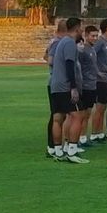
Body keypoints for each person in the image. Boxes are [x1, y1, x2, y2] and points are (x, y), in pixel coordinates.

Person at [49, 17, 88, 164]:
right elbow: (70, 65)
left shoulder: (62, 42)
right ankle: (72, 151)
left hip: (56, 86)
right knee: (79, 115)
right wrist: (73, 88)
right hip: (65, 86)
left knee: (58, 118)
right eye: (81, 28)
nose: (82, 31)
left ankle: (58, 152)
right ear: (77, 28)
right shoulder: (70, 43)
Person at [44, 19, 67, 157]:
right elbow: (50, 59)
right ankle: (52, 146)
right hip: (56, 83)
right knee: (56, 116)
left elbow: (45, 56)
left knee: (58, 116)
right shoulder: (57, 42)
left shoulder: (55, 42)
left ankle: (54, 145)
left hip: (55, 81)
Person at [91, 18, 107, 142]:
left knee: (103, 107)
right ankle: (95, 133)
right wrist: (97, 72)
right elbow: (92, 56)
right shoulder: (100, 42)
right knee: (99, 108)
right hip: (101, 80)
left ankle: (100, 133)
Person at [77, 26, 99, 147]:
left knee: (88, 113)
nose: (95, 38)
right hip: (85, 86)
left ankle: (83, 137)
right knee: (82, 114)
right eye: (92, 36)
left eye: (96, 36)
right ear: (86, 36)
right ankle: (79, 138)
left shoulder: (92, 49)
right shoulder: (83, 50)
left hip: (92, 85)